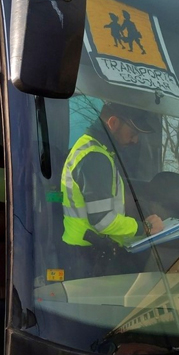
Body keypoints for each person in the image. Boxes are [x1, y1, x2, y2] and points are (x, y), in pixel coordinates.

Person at [61, 102, 165, 249]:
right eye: (133, 134)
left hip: (83, 247)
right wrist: (145, 227)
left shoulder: (94, 150)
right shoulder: (95, 157)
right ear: (113, 122)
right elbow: (103, 221)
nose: (135, 141)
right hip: (88, 253)